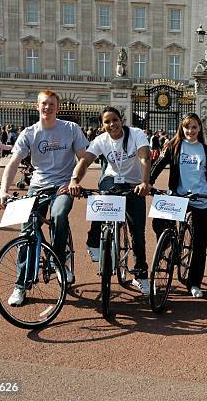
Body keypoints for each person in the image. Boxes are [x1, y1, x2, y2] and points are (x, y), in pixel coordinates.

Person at [0, 90, 89, 306]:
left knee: (58, 214)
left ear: (58, 107)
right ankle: (20, 285)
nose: (48, 107)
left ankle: (58, 260)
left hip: (63, 186)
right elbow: (12, 164)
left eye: (52, 104)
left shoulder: (71, 129)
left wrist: (75, 180)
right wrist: (3, 191)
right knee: (27, 232)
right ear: (37, 106)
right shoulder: (29, 133)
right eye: (44, 104)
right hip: (37, 187)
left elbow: (83, 158)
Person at [68, 106, 152, 295]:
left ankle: (141, 276)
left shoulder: (136, 134)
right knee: (102, 199)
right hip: (112, 179)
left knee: (138, 232)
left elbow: (145, 157)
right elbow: (85, 161)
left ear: (121, 120)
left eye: (115, 120)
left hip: (134, 183)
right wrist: (74, 180)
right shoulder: (101, 140)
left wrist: (145, 182)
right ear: (102, 125)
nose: (112, 124)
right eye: (107, 121)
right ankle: (93, 241)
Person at [150, 113, 207, 298]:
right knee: (158, 222)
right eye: (187, 127)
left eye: (194, 127)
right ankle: (170, 244)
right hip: (178, 196)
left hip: (201, 199)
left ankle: (194, 282)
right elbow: (158, 165)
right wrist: (148, 182)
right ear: (182, 128)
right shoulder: (174, 146)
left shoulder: (205, 150)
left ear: (199, 129)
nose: (190, 131)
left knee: (199, 244)